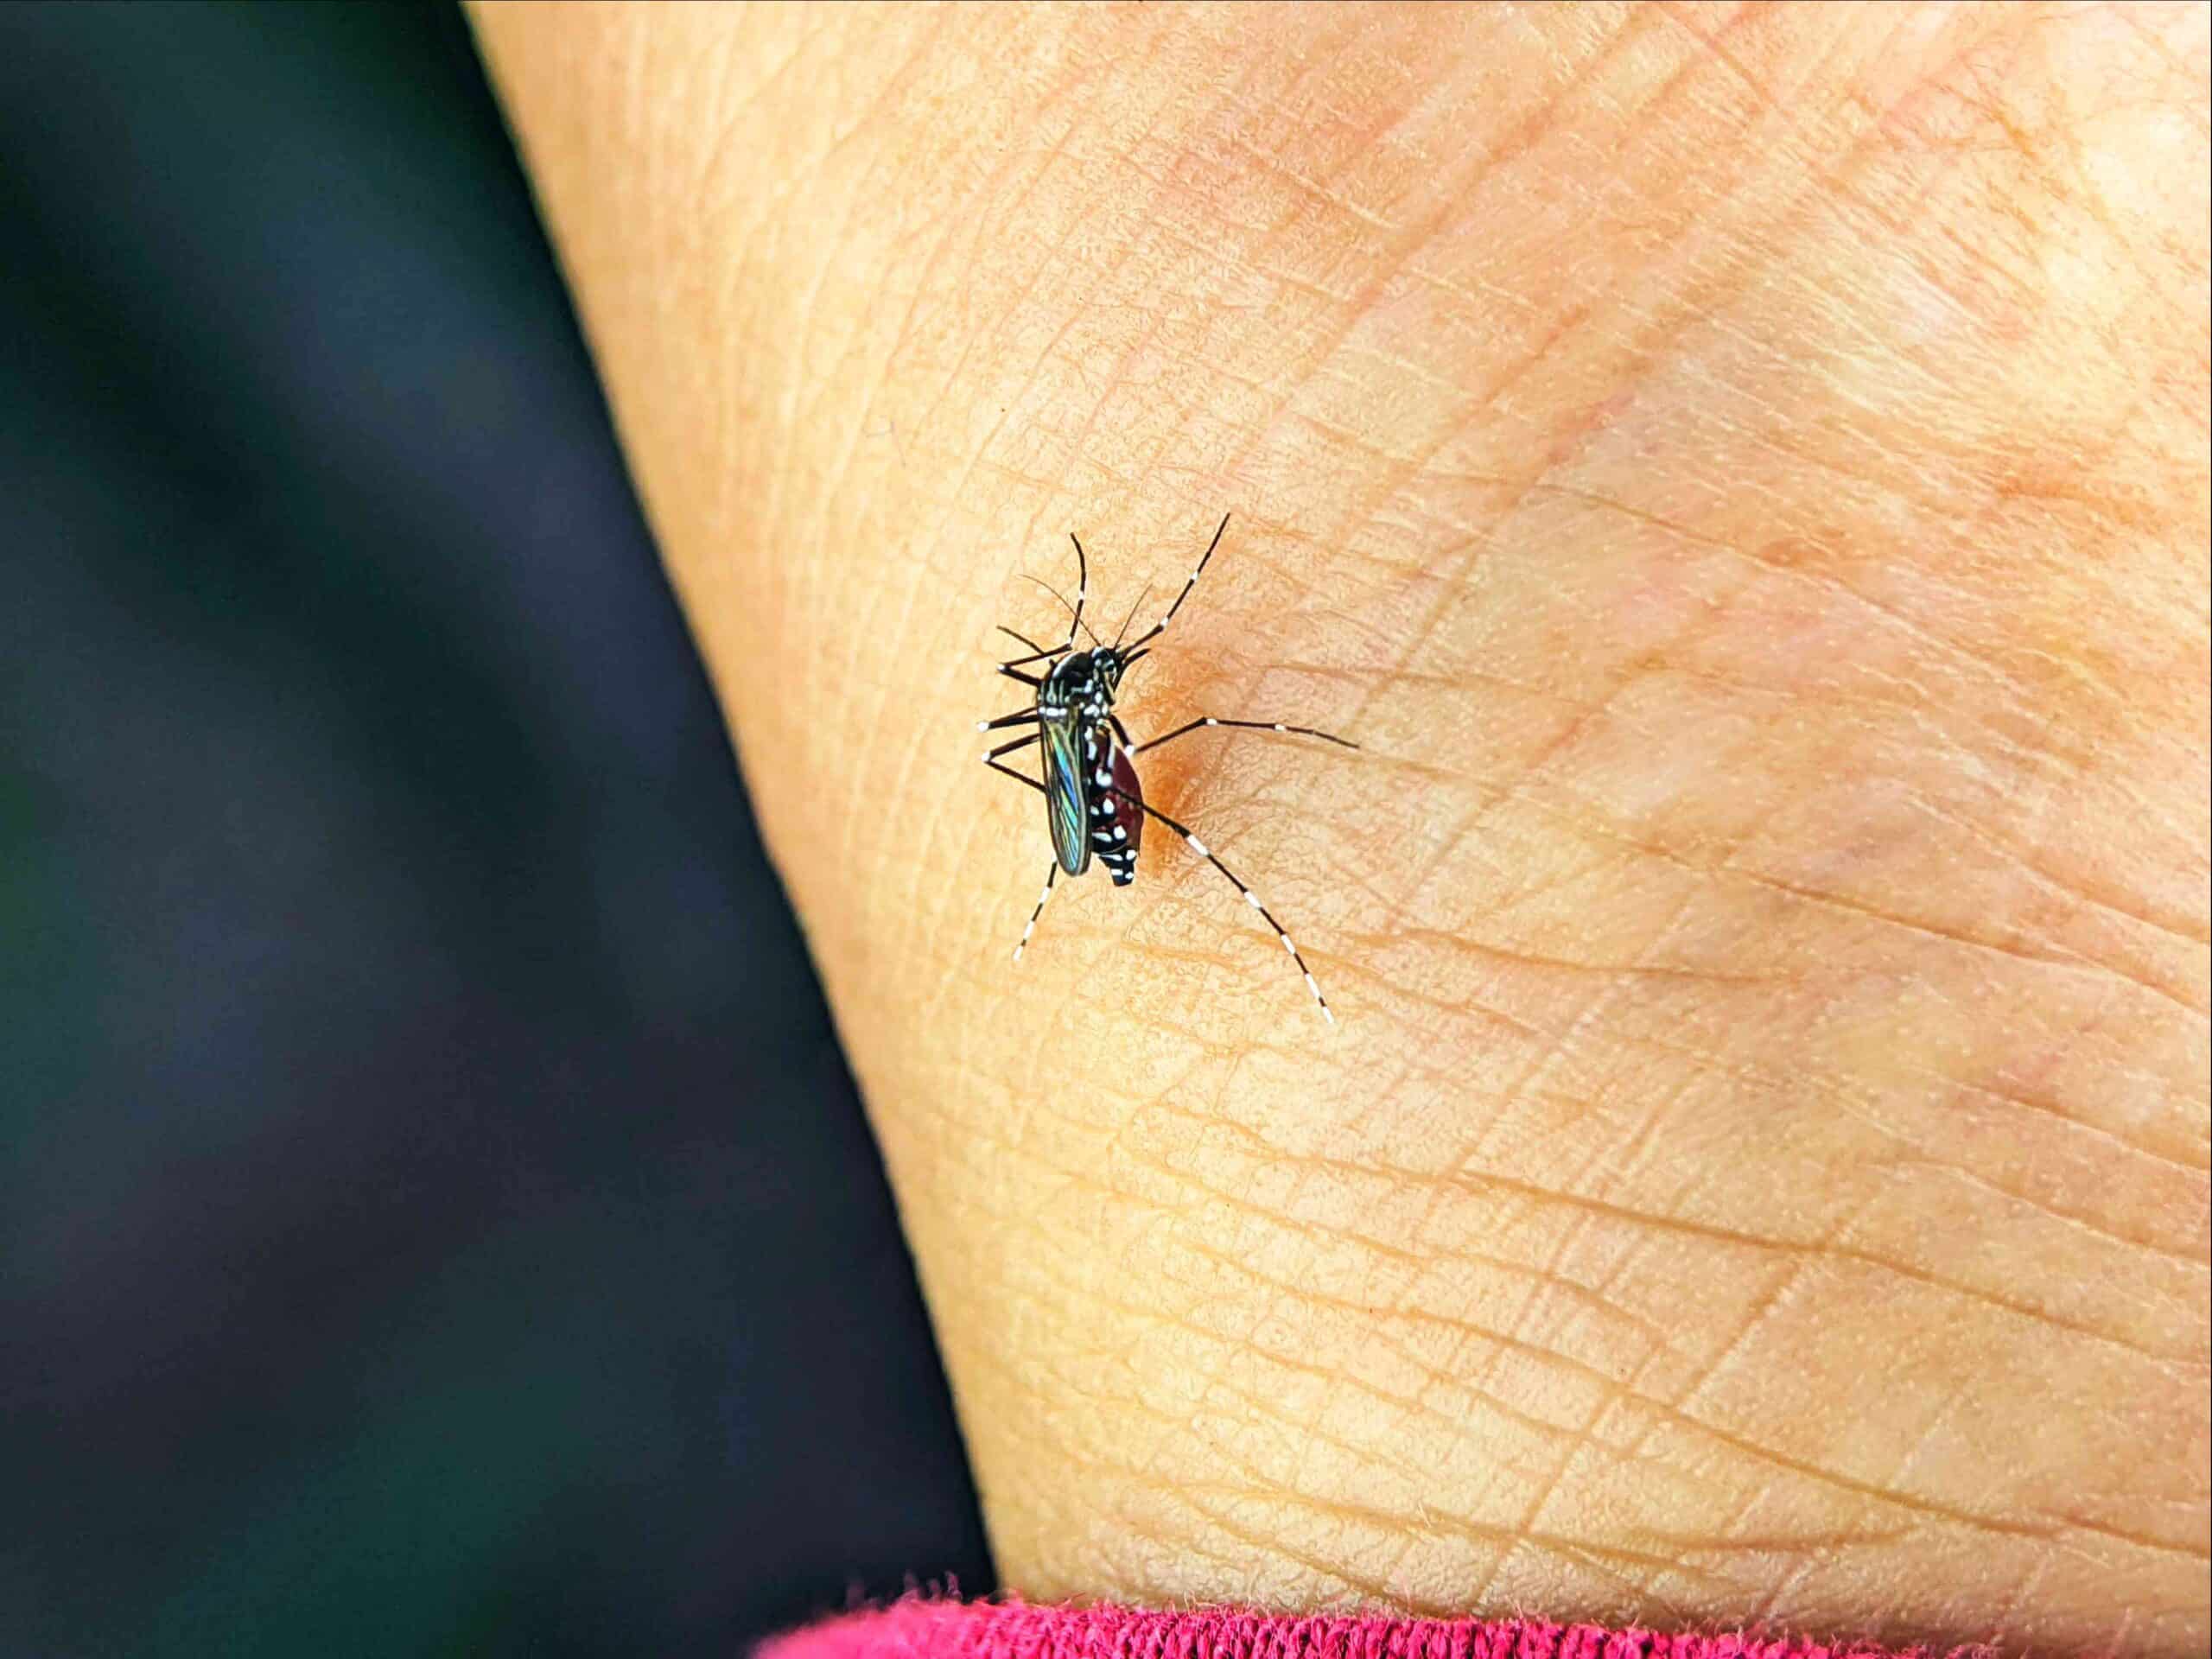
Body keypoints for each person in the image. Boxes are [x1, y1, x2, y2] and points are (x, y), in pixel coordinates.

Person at [471, 6, 2209, 1655]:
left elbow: (1077, 687)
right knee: (1170, 753)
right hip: (1117, 819)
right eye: (1091, 669)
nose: (1096, 670)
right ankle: (1203, 926)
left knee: (1155, 746)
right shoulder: (1086, 720)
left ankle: (1130, 916)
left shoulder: (1078, 706)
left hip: (1108, 822)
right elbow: (1074, 708)